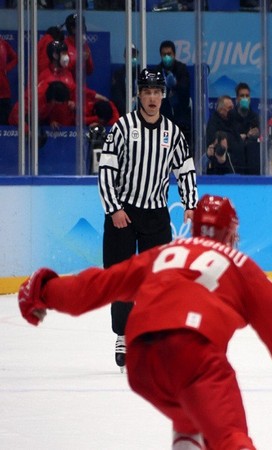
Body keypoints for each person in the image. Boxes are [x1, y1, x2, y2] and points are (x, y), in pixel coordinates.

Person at [17, 194, 272, 449]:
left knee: (191, 418)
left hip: (141, 360)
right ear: (232, 234)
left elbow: (96, 287)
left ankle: (189, 439)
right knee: (229, 435)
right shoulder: (243, 269)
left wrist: (44, 290)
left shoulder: (163, 255)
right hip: (195, 355)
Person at [98, 68, 198, 372]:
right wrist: (114, 208)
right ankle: (123, 335)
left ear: (163, 95)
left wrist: (190, 203)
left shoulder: (172, 132)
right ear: (138, 95)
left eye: (157, 92)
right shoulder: (122, 128)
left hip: (156, 214)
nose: (152, 98)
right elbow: (106, 170)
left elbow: (186, 169)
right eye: (147, 92)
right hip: (124, 213)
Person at [156, 40, 193, 152]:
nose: (167, 57)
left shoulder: (181, 69)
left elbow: (185, 89)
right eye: (164, 55)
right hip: (164, 114)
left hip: (180, 113)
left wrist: (175, 84)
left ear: (174, 55)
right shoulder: (157, 71)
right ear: (161, 56)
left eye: (169, 54)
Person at [205, 95, 246, 174]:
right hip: (225, 170)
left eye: (233, 108)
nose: (232, 111)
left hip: (239, 166)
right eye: (229, 108)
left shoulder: (232, 121)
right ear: (221, 110)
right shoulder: (213, 124)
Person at [232, 82, 260, 175]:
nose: (245, 98)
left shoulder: (255, 117)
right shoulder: (230, 116)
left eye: (247, 96)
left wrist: (257, 133)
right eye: (242, 96)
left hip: (252, 162)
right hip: (235, 161)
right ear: (237, 99)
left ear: (250, 99)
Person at [110, 44, 141, 116]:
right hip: (123, 112)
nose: (132, 58)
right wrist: (127, 110)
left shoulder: (142, 72)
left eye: (134, 55)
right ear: (125, 57)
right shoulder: (119, 74)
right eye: (130, 55)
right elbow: (117, 96)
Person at [63, 13, 94, 78]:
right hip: (67, 84)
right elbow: (64, 69)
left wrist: (87, 59)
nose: (82, 28)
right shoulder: (64, 46)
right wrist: (79, 59)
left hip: (81, 85)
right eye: (79, 26)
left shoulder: (84, 46)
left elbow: (89, 71)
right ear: (72, 29)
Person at [0, 36, 17, 125]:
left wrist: (6, 69)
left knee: (4, 121)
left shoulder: (3, 43)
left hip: (4, 91)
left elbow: (16, 58)